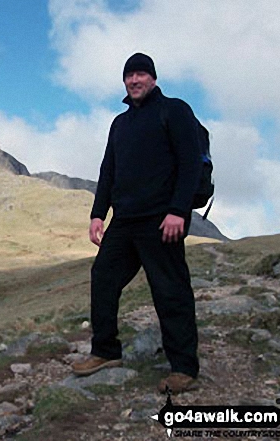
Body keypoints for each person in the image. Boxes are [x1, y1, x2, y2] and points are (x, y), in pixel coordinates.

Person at [71, 53, 202, 394]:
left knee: (169, 290)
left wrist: (178, 210)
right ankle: (105, 351)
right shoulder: (120, 123)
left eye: (141, 73)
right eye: (129, 75)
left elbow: (189, 164)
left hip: (162, 220)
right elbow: (108, 171)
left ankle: (184, 368)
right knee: (103, 277)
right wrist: (98, 214)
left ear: (153, 78)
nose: (134, 80)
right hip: (125, 222)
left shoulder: (174, 110)